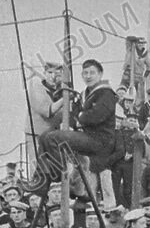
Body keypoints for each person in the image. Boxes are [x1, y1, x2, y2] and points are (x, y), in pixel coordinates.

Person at [35, 59, 118, 195]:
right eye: (85, 73)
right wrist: (76, 118)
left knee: (53, 138)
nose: (88, 76)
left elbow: (95, 116)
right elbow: (75, 116)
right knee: (44, 137)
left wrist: (80, 116)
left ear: (100, 74)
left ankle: (67, 176)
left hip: (100, 141)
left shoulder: (106, 94)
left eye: (92, 73)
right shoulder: (85, 94)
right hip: (87, 137)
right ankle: (41, 181)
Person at [25, 60, 65, 166]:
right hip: (37, 135)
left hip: (53, 136)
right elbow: (47, 111)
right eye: (50, 73)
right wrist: (65, 99)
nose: (53, 77)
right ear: (44, 73)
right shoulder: (37, 87)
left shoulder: (62, 90)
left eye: (57, 74)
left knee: (55, 166)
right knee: (38, 168)